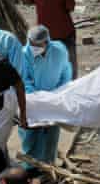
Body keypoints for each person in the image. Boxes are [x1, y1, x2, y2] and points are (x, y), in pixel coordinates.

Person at [19, 26, 72, 166]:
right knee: (30, 135)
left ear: (47, 42)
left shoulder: (59, 50)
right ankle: (30, 166)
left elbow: (66, 72)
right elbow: (24, 79)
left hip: (54, 98)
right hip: (32, 100)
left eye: (37, 45)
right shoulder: (24, 54)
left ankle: (49, 164)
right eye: (31, 43)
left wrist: (60, 92)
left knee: (51, 133)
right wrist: (37, 97)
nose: (33, 47)